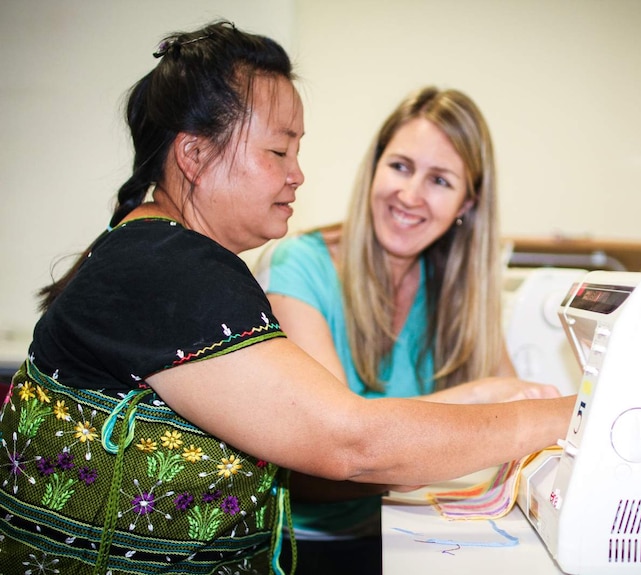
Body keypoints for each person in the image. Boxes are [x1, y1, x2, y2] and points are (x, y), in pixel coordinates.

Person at [0, 21, 576, 575]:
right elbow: (352, 444)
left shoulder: (160, 251)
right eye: (278, 152)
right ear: (193, 156)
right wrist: (568, 416)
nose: (297, 175)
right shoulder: (169, 269)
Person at [260, 86, 556, 574]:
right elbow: (331, 454)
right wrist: (479, 398)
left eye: (440, 180)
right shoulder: (299, 267)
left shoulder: (456, 289)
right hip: (299, 544)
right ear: (374, 168)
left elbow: (512, 422)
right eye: (399, 166)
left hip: (399, 529)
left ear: (467, 202)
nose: (410, 194)